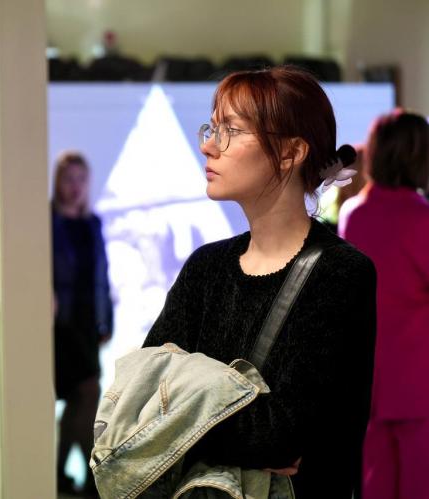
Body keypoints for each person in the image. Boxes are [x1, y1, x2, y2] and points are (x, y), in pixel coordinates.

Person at [142, 67, 376, 498]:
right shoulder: (206, 268)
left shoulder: (340, 273)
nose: (208, 146)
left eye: (231, 131)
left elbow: (280, 435)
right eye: (212, 128)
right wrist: (240, 434)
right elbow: (142, 400)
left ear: (290, 152)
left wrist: (185, 421)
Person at [338, 110, 429, 499]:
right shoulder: (421, 217)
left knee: (376, 484)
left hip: (369, 381)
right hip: (419, 384)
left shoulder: (353, 215)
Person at [51, 151, 113, 497]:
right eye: (68, 178)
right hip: (59, 326)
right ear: (57, 181)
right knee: (86, 393)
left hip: (88, 324)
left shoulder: (93, 224)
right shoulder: (47, 221)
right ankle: (91, 477)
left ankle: (63, 475)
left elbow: (102, 276)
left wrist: (106, 320)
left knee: (82, 399)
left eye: (80, 179)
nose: (74, 187)